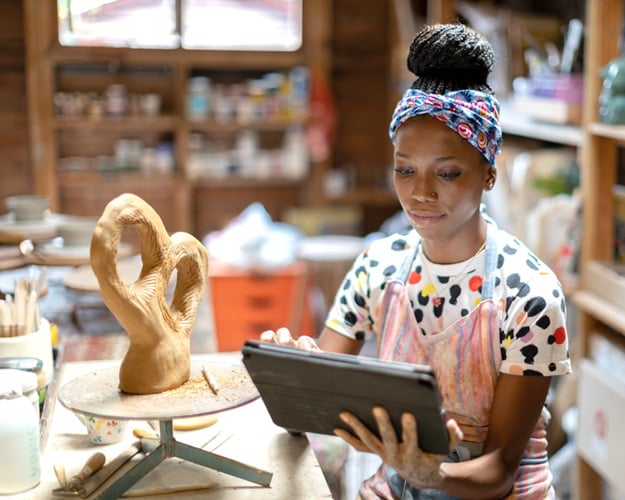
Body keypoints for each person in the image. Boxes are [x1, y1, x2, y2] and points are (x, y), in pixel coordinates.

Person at [261, 22, 571, 499]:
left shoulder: (529, 294)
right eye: (404, 170)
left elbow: (500, 470)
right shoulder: (378, 267)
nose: (420, 194)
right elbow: (320, 405)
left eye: (446, 173)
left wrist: (432, 473)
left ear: (489, 174)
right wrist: (296, 373)